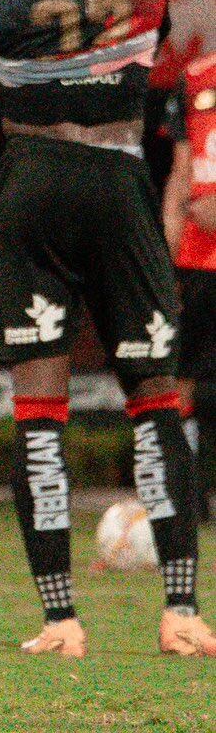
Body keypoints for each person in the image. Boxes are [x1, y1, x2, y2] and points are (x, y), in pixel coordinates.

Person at [0, 0, 216, 658]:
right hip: (118, 177)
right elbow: (147, 54)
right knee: (156, 398)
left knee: (39, 411)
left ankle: (60, 619)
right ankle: (181, 612)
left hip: (33, 178)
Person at [162, 56, 216, 520]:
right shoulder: (194, 79)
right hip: (196, 260)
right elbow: (180, 174)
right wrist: (165, 268)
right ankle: (186, 497)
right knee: (182, 377)